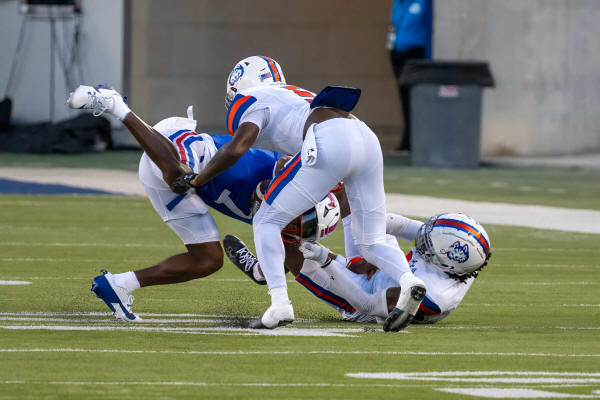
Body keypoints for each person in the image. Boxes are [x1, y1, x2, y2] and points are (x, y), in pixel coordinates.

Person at [183, 56, 426, 331]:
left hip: (329, 138)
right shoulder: (291, 94)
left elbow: (237, 148)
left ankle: (279, 304)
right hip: (365, 137)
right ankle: (410, 282)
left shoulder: (250, 99)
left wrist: (198, 179)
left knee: (266, 221)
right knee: (371, 241)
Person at [66, 84, 336, 321]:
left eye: (303, 227)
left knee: (207, 260)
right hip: (188, 150)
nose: (297, 225)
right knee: (179, 177)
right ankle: (117, 106)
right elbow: (268, 171)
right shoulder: (282, 175)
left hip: (179, 180)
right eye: (303, 219)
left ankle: (118, 285)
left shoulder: (284, 224)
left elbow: (274, 265)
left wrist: (255, 267)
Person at [226, 212, 491, 325]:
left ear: (443, 262)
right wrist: (371, 252)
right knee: (354, 202)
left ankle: (262, 271)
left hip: (362, 298)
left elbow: (366, 303)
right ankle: (270, 266)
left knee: (289, 240)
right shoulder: (461, 256)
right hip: (386, 272)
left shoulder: (434, 297)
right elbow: (393, 224)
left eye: (427, 244)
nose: (422, 239)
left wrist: (326, 258)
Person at [387, 0, 433, 151]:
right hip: (398, 53)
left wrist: (428, 59)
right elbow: (395, 26)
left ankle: (419, 140)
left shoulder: (424, 2)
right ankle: (407, 140)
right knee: (405, 98)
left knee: (418, 98)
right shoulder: (398, 3)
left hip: (417, 54)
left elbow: (429, 27)